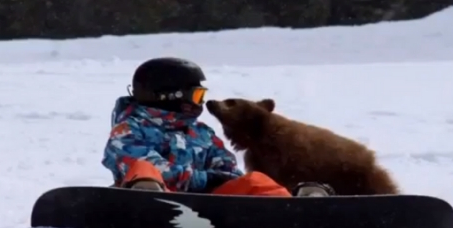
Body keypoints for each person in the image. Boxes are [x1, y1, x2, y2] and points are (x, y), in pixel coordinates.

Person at [101, 57, 334, 197]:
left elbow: (227, 169)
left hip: (211, 202)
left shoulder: (200, 132)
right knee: (143, 170)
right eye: (196, 94)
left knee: (255, 181)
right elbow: (150, 167)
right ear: (168, 96)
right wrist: (208, 180)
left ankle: (292, 209)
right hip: (162, 196)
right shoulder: (128, 130)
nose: (201, 101)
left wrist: (221, 181)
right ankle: (147, 204)